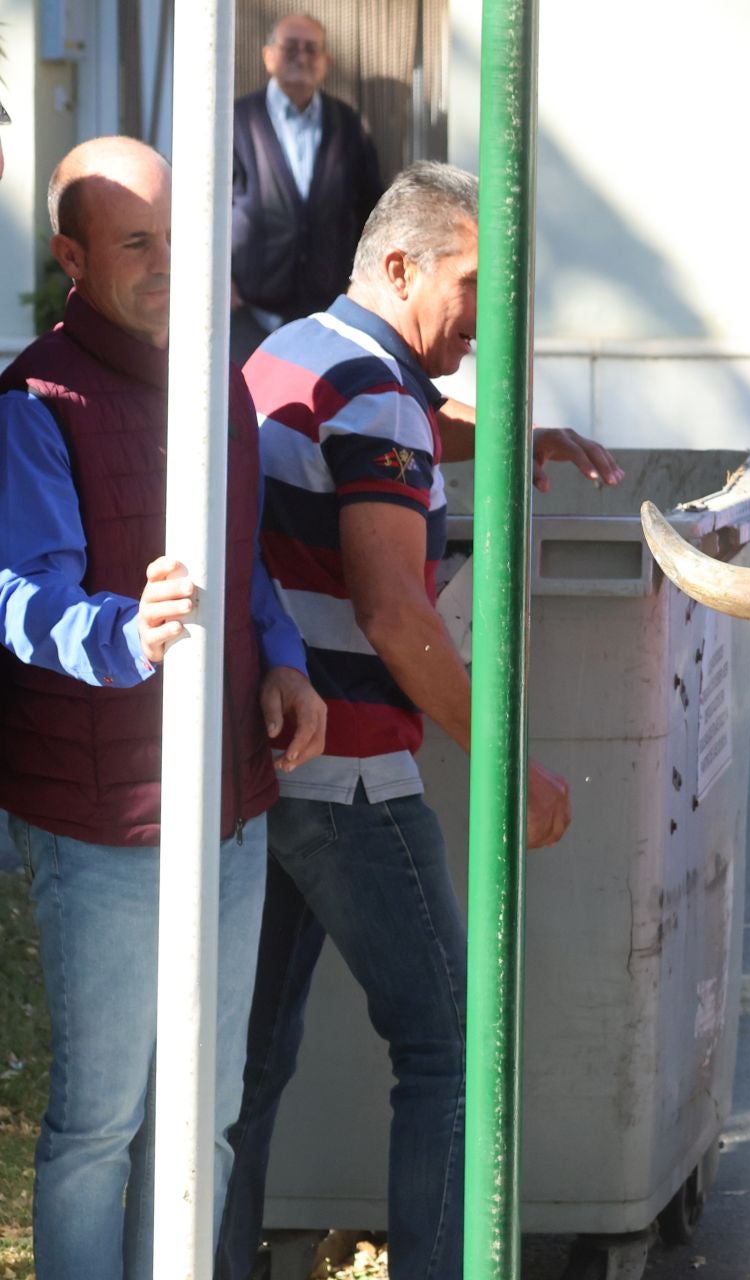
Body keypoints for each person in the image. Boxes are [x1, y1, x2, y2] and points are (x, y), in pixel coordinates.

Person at [216, 162, 617, 1280]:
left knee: (245, 1070)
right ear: (398, 264)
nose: (490, 319)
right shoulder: (383, 395)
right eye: (476, 284)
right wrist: (508, 766)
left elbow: (361, 442)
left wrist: (509, 440)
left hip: (268, 763)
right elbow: (396, 614)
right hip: (348, 773)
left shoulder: (289, 353)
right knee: (455, 1046)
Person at [0, 135, 326, 1280]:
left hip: (227, 800)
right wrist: (122, 633)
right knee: (103, 1122)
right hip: (99, 825)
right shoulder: (34, 398)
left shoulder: (216, 380)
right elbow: (17, 596)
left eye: (183, 237)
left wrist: (282, 660)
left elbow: (243, 567)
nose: (167, 263)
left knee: (209, 1109)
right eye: (137, 241)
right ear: (72, 256)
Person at [231, 12, 381, 359]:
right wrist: (220, 280)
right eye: (290, 47)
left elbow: (373, 210)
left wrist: (362, 282)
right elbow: (203, 206)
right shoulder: (236, 121)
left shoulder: (348, 125)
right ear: (268, 56)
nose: (301, 57)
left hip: (328, 317)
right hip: (248, 315)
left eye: (311, 49)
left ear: (326, 62)